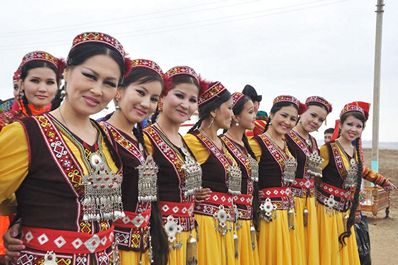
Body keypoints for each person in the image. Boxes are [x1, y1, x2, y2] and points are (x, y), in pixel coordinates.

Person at [0, 31, 128, 265]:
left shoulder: (108, 135)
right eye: (89, 76)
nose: (98, 90)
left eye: (109, 83)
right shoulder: (26, 133)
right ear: (67, 72)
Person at [100, 59, 168, 265]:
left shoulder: (140, 140)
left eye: (154, 98)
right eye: (140, 92)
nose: (146, 104)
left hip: (141, 248)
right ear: (119, 91)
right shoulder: (100, 134)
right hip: (113, 251)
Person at [317, 102, 396, 265]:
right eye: (349, 124)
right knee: (329, 254)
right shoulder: (327, 149)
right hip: (326, 213)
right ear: (341, 124)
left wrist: (382, 181)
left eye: (358, 126)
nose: (353, 129)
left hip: (346, 212)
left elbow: (362, 171)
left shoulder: (355, 153)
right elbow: (310, 176)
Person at [143, 66, 203, 265]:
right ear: (162, 97)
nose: (186, 105)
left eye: (192, 100)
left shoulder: (183, 140)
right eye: (179, 96)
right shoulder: (147, 139)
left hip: (188, 234)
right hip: (161, 235)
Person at [184, 80, 239, 265]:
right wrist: (190, 192)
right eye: (230, 108)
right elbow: (174, 177)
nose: (233, 114)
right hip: (206, 223)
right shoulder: (193, 141)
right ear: (214, 110)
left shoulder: (223, 143)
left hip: (226, 223)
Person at [249, 95, 305, 265]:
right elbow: (249, 181)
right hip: (268, 214)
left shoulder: (287, 145)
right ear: (272, 115)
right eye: (284, 115)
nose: (287, 122)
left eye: (293, 119)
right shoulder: (256, 144)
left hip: (288, 213)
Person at [286, 96, 332, 265]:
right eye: (313, 115)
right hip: (291, 202)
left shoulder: (313, 142)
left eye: (320, 120)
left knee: (307, 247)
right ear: (302, 112)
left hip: (310, 202)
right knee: (293, 246)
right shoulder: (286, 137)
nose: (316, 121)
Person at [220, 92, 260, 265]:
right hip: (231, 221)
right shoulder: (220, 144)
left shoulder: (248, 146)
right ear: (236, 116)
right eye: (250, 112)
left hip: (247, 219)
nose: (255, 117)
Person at [0, 51, 64, 130]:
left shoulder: (66, 121)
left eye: (50, 82)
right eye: (35, 81)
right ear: (22, 83)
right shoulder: (5, 122)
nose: (42, 89)